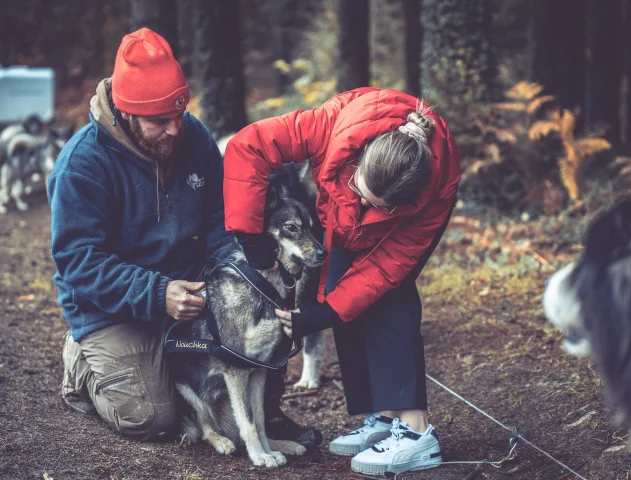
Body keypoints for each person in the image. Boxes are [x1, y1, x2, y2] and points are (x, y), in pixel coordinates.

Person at [51, 27, 318, 446]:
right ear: (125, 112)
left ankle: (263, 411)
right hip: (114, 306)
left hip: (193, 292)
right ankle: (83, 366)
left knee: (260, 333)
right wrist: (158, 292)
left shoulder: (191, 135)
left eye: (180, 114)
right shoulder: (82, 165)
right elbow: (78, 262)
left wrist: (243, 273)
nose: (176, 129)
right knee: (153, 420)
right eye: (161, 121)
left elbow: (219, 218)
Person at [224, 87, 460, 476]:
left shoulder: (431, 196)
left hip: (410, 223)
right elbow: (247, 147)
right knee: (339, 279)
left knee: (390, 293)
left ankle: (416, 433)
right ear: (359, 156)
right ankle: (384, 417)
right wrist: (251, 236)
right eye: (358, 191)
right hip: (349, 182)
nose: (363, 208)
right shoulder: (327, 126)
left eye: (377, 207)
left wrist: (324, 314)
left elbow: (383, 271)